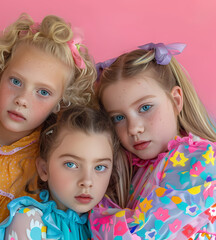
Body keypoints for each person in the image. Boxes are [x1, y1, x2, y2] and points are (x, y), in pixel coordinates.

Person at [0, 13, 97, 239]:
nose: (22, 99)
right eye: (16, 81)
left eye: (43, 92)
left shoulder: (47, 161)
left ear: (61, 103)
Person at [90, 42, 216, 239]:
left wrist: (97, 214)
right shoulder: (131, 167)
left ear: (176, 100)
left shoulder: (199, 159)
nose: (133, 129)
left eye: (145, 108)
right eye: (118, 118)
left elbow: (139, 235)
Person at [0, 105, 129, 240]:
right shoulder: (30, 220)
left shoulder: (105, 228)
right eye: (71, 164)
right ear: (44, 170)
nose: (87, 181)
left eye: (99, 167)